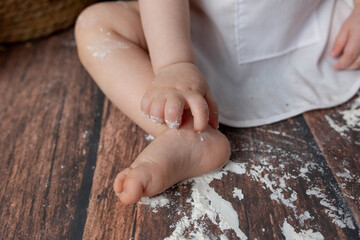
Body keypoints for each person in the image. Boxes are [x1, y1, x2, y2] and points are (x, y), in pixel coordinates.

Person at [75, 0, 360, 204]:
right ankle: (184, 128)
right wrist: (173, 64)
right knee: (96, 24)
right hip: (186, 33)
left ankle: (185, 125)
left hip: (319, 27)